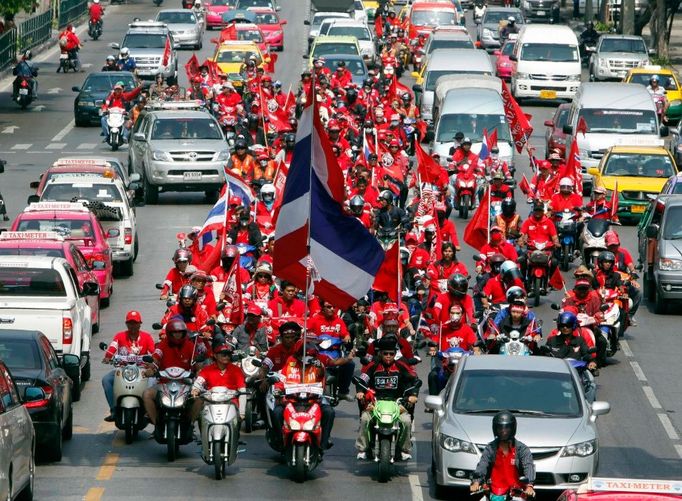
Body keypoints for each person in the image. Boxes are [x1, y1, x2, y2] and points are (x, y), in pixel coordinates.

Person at [355, 336, 419, 461]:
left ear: (395, 354)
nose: (388, 356)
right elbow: (362, 380)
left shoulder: (401, 366)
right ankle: (363, 448)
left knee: (406, 421)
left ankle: (404, 449)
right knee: (364, 419)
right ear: (380, 354)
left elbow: (414, 380)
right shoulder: (373, 366)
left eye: (391, 353)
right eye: (385, 353)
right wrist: (360, 392)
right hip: (376, 403)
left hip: (397, 404)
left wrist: (413, 395)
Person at [272, 337, 340, 451]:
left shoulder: (318, 367)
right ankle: (280, 441)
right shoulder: (290, 364)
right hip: (292, 402)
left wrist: (320, 369)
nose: (307, 359)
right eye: (304, 356)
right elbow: (281, 380)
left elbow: (323, 380)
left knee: (329, 412)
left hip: (313, 402)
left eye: (311, 356)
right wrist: (278, 390)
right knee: (277, 412)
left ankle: (323, 443)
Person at [143, 319, 206, 426]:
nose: (177, 335)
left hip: (185, 383)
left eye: (180, 332)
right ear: (169, 333)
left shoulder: (190, 345)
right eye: (174, 332)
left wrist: (199, 372)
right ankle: (156, 423)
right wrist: (151, 369)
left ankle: (190, 424)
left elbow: (197, 364)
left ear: (184, 333)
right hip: (164, 384)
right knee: (147, 394)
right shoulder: (162, 345)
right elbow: (156, 358)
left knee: (200, 399)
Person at [101, 311, 155, 422]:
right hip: (122, 369)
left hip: (141, 370)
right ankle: (114, 409)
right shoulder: (120, 336)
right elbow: (112, 347)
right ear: (126, 324)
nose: (133, 326)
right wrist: (108, 356)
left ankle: (148, 411)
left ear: (140, 324)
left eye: (135, 323)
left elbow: (153, 352)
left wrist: (152, 361)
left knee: (153, 380)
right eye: (130, 323)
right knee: (106, 380)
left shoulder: (147, 337)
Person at [470, 412, 536, 498]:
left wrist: (529, 486)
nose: (503, 431)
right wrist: (476, 482)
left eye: (507, 427)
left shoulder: (522, 449)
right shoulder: (490, 448)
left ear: (512, 428)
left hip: (517, 493)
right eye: (500, 427)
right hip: (493, 493)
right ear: (495, 429)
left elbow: (528, 466)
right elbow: (483, 464)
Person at [190, 335, 246, 421]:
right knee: (198, 402)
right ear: (215, 356)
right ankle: (190, 426)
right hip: (211, 400)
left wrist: (242, 413)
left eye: (228, 354)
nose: (227, 357)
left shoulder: (237, 370)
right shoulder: (207, 370)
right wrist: (195, 389)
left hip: (231, 401)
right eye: (223, 355)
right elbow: (199, 382)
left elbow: (242, 391)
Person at [545, 312, 598, 402]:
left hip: (577, 374)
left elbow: (587, 353)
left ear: (573, 326)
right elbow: (545, 356)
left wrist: (592, 362)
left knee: (591, 383)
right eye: (562, 325)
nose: (565, 328)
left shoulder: (580, 341)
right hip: (556, 374)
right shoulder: (552, 340)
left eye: (568, 325)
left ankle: (589, 406)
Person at [605, 230, 641, 325]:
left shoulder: (623, 253)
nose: (613, 248)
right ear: (606, 245)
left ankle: (630, 316)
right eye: (611, 246)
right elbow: (597, 270)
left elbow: (631, 267)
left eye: (615, 245)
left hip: (622, 283)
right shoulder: (602, 255)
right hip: (608, 284)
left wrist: (633, 279)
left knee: (638, 293)